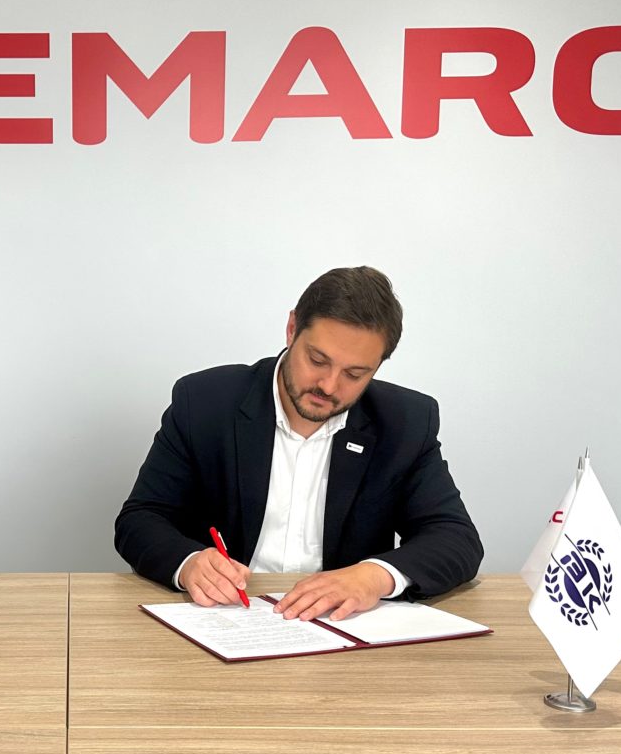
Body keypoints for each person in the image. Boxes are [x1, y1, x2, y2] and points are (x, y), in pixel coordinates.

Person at [114, 266, 482, 622]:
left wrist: (374, 576)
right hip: (226, 618)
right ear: (292, 329)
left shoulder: (406, 422)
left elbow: (456, 538)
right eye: (317, 360)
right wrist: (189, 563)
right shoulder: (205, 402)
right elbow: (141, 519)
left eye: (355, 374)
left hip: (339, 628)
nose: (329, 385)